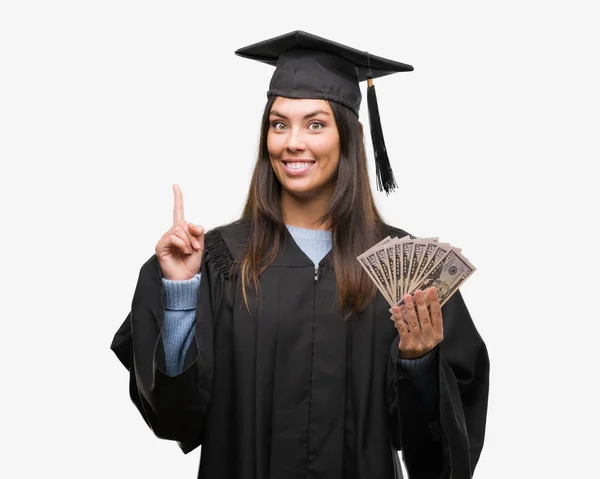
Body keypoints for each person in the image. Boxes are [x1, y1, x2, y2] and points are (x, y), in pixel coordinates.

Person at [111, 30, 489, 479]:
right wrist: (180, 294)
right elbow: (176, 420)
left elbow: (436, 460)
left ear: (349, 135)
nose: (293, 142)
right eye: (279, 123)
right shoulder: (218, 261)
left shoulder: (402, 270)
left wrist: (420, 363)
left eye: (315, 124)